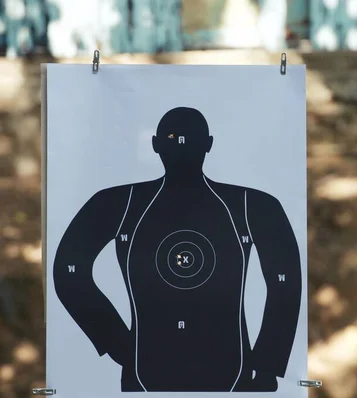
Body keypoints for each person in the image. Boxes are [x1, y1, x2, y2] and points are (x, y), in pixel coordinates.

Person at [53, 107, 302, 392]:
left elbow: (285, 281)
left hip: (202, 369)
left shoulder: (254, 205)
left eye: (188, 137)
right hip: (158, 369)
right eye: (174, 136)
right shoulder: (120, 202)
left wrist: (269, 363)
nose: (181, 144)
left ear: (208, 144)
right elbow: (69, 271)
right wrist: (116, 343)